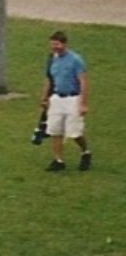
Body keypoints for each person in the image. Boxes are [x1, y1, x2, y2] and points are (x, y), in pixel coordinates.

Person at [41, 30, 91, 172]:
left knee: (74, 132)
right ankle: (58, 160)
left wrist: (82, 103)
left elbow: (83, 82)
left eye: (57, 44)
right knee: (55, 130)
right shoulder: (52, 59)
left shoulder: (75, 60)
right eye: (52, 45)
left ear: (64, 44)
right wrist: (44, 97)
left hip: (72, 98)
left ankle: (85, 151)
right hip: (57, 98)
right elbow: (49, 79)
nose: (54, 47)